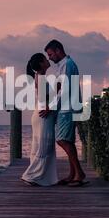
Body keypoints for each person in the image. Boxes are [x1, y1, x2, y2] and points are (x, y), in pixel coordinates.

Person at [41, 39, 88, 187]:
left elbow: (64, 90)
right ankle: (72, 174)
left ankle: (79, 173)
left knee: (62, 140)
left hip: (68, 108)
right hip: (67, 107)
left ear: (58, 50)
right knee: (68, 140)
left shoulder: (67, 65)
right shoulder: (63, 65)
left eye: (50, 54)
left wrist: (51, 107)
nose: (49, 58)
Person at [21, 53, 58, 186]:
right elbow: (44, 98)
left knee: (38, 146)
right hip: (43, 115)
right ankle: (30, 175)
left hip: (39, 114)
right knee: (45, 146)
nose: (48, 60)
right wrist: (58, 90)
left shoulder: (39, 76)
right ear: (41, 63)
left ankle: (40, 177)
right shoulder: (41, 77)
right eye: (45, 59)